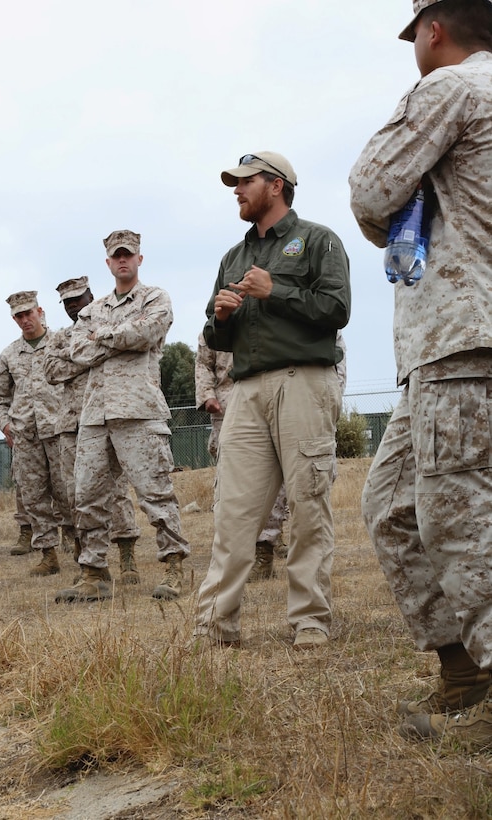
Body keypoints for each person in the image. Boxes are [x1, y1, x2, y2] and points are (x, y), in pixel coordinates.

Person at [349, 0, 492, 748]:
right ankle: (463, 669)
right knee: (390, 505)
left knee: (460, 524)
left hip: (462, 342)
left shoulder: (452, 88)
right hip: (448, 349)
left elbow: (371, 191)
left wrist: (396, 203)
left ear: (431, 30)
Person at [194, 151, 350, 649]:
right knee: (232, 511)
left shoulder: (319, 240)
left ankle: (309, 620)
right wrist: (219, 319)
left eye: (246, 182)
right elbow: (217, 339)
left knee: (307, 505)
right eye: (234, 184)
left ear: (277, 185)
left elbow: (337, 309)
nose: (236, 191)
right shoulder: (232, 258)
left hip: (303, 382)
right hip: (246, 389)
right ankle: (215, 624)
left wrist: (275, 289)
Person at [54, 230, 190, 603]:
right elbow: (77, 350)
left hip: (139, 412)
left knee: (155, 494)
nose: (123, 260)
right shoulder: (91, 310)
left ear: (139, 259)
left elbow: (146, 332)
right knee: (88, 496)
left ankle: (174, 566)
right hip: (95, 416)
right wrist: (114, 338)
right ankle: (94, 572)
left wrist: (104, 337)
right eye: (116, 256)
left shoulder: (155, 298)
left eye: (128, 254)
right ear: (108, 263)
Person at [43, 275, 142, 584]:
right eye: (68, 303)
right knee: (77, 494)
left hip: (107, 416)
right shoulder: (60, 337)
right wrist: (92, 355)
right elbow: (51, 371)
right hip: (72, 425)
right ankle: (91, 561)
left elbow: (125, 352)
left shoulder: (109, 324)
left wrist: (86, 352)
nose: (75, 306)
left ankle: (127, 556)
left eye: (79, 298)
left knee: (116, 491)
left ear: (91, 295)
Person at [195, 332, 289, 580]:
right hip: (226, 407)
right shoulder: (219, 321)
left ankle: (265, 549)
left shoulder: (273, 307)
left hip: (270, 400)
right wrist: (207, 395)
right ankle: (235, 552)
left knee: (274, 484)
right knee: (231, 486)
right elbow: (204, 362)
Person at [0, 291, 73, 576]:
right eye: (19, 316)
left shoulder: (62, 342)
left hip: (60, 432)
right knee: (34, 497)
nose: (25, 320)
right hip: (25, 436)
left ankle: (77, 547)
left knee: (67, 493)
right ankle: (48, 554)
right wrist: (5, 425)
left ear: (40, 311)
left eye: (29, 313)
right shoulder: (9, 355)